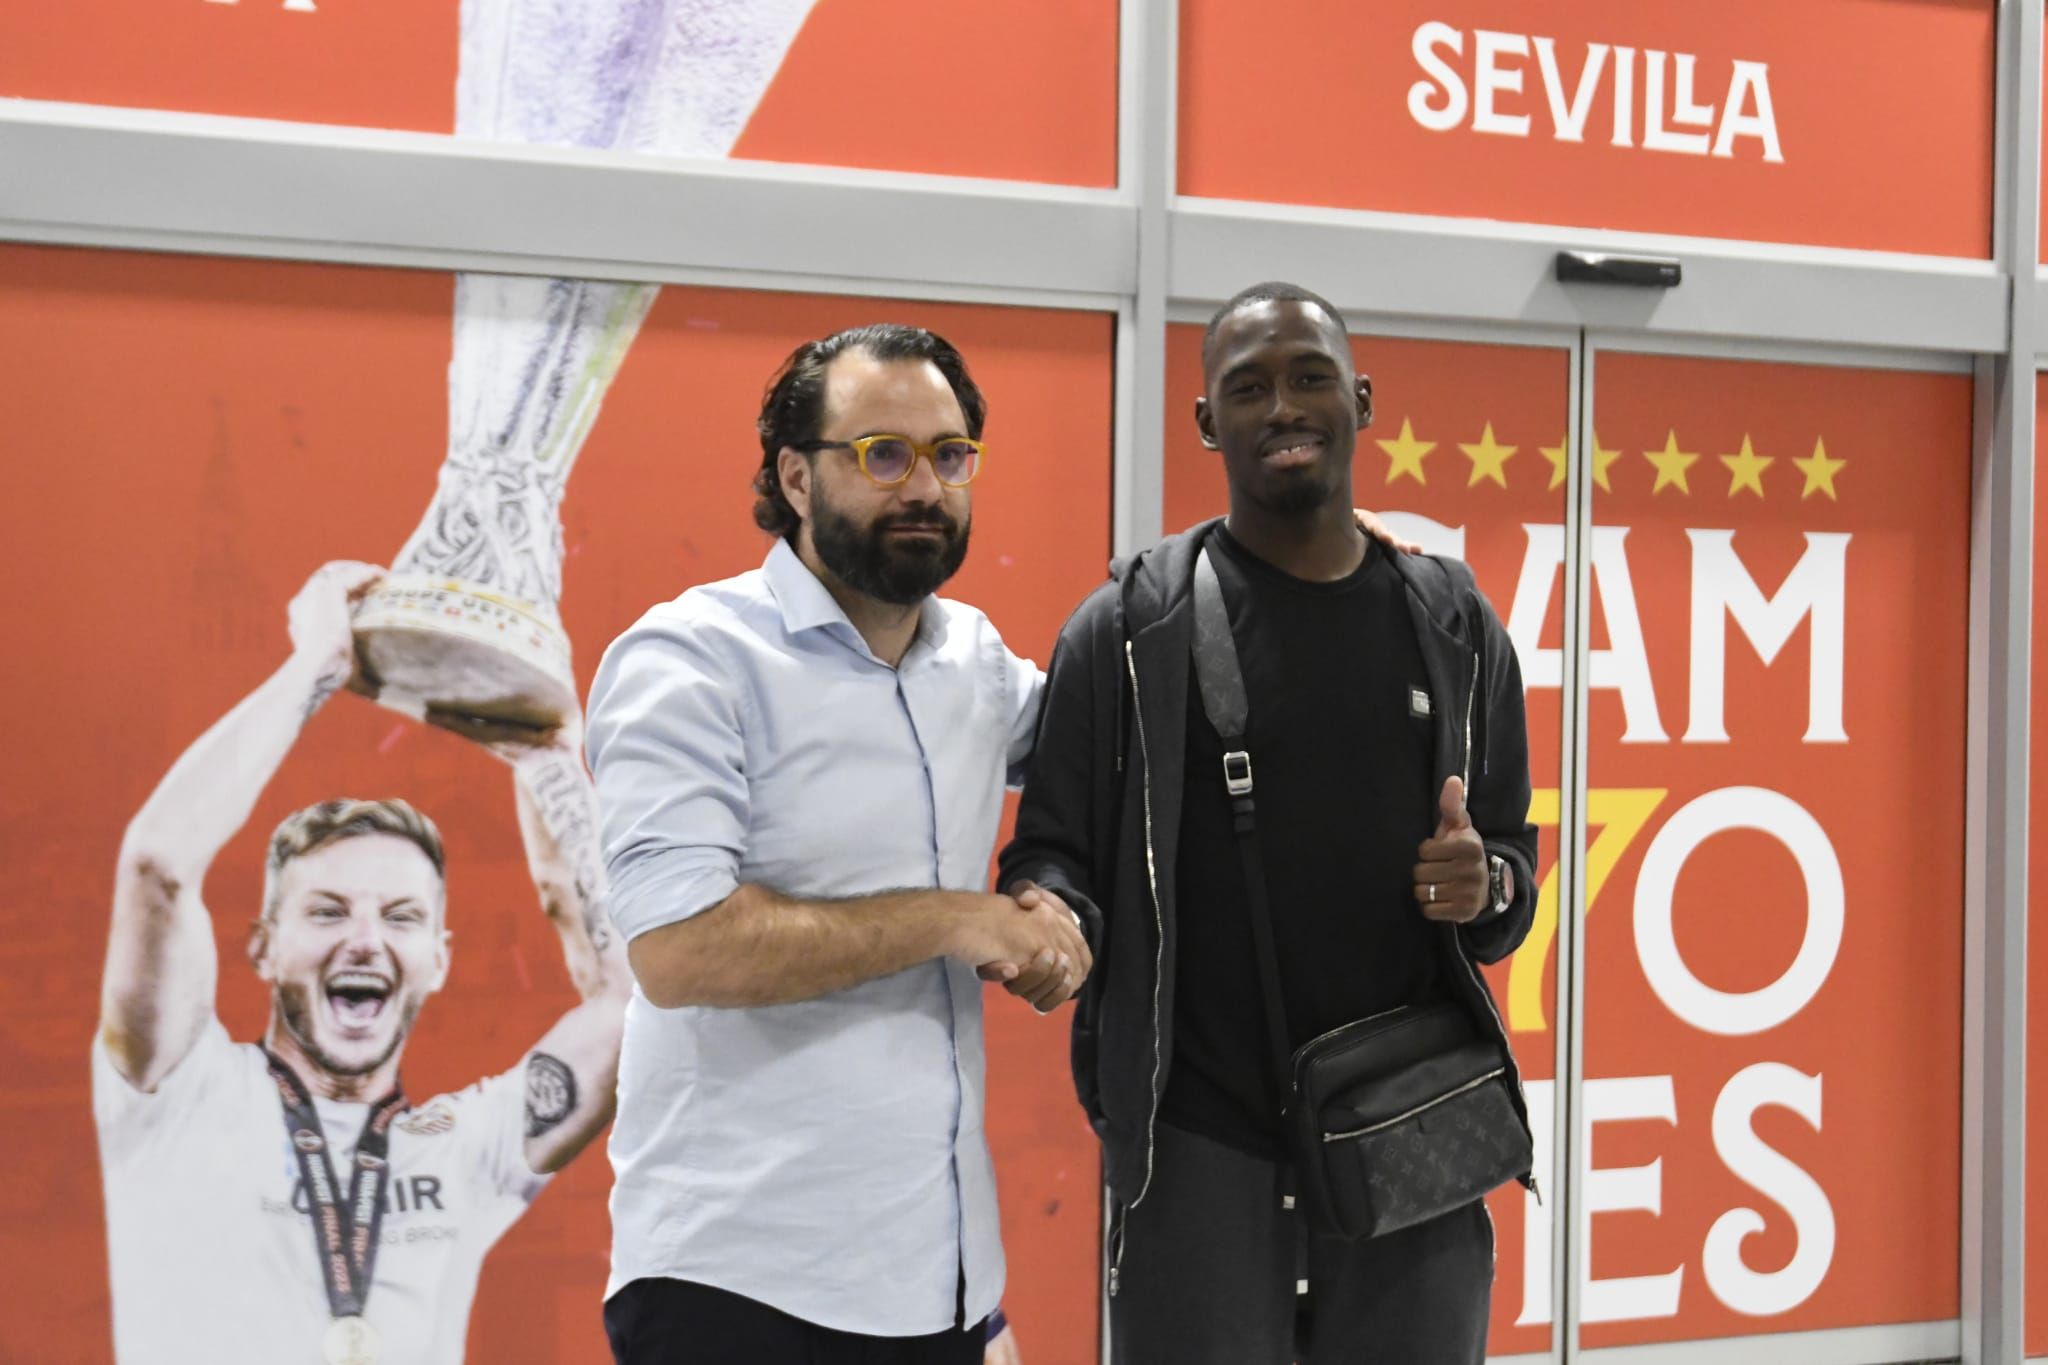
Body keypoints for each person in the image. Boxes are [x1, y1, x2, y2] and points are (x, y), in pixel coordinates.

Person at [999, 282, 1540, 1364]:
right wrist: (1047, 916)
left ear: (1361, 399)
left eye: (1308, 377)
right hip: (1197, 1150)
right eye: (1246, 388)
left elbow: (1509, 867)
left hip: (1407, 1134)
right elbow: (1053, 847)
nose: (1281, 406)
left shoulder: (1451, 623)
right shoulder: (1126, 631)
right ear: (1207, 424)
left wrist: (1486, 888)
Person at [585, 323, 1092, 1365]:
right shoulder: (690, 660)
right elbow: (680, 951)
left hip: (942, 1282)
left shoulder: (976, 663)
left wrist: (1296, 559)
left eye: (949, 456)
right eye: (881, 454)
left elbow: (1104, 774)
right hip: (737, 1283)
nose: (923, 487)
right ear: (795, 477)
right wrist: (954, 917)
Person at [94, 560, 631, 1365]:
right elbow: (158, 863)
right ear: (263, 947)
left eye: (402, 917)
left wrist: (548, 758)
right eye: (327, 909)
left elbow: (629, 1001)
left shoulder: (459, 1148)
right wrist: (317, 664)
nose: (365, 940)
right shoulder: (181, 1093)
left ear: (439, 960)